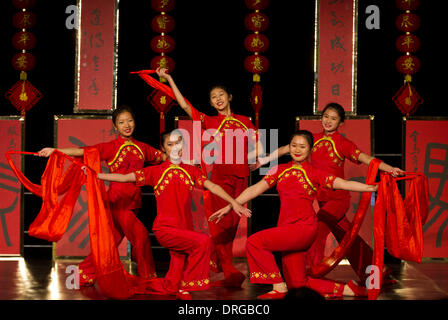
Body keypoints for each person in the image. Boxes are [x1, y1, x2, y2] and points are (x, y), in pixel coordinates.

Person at [209, 130, 375, 299]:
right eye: (294, 145)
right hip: (287, 228)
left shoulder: (313, 172)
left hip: (303, 228)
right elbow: (255, 189)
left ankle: (279, 287)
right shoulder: (279, 169)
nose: (297, 149)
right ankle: (349, 290)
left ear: (310, 150)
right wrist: (231, 205)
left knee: (254, 242)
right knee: (298, 284)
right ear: (288, 148)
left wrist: (370, 188)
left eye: (302, 146)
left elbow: (342, 183)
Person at [95, 129, 252, 299]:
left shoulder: (191, 171)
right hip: (165, 229)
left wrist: (234, 202)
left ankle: (175, 286)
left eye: (178, 143)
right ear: (163, 149)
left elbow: (213, 187)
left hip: (184, 230)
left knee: (172, 282)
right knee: (204, 241)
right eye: (169, 145)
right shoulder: (156, 171)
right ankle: (187, 284)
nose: (174, 147)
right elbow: (126, 178)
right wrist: (97, 175)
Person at [256, 103, 403, 283]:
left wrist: (389, 169)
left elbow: (367, 158)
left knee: (316, 230)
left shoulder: (343, 143)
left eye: (333, 118)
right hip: (323, 201)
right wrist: (264, 160)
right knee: (348, 237)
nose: (328, 121)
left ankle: (312, 272)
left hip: (338, 200)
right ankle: (376, 271)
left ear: (341, 122)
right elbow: (286, 149)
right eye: (326, 116)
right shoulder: (312, 139)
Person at [156, 67, 264, 287]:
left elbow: (258, 143)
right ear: (212, 103)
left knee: (233, 223)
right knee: (220, 224)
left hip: (241, 177)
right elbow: (185, 105)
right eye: (213, 98)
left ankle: (224, 265)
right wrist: (169, 78)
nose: (218, 100)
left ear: (230, 97)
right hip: (219, 176)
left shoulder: (244, 120)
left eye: (221, 95)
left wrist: (256, 158)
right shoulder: (208, 120)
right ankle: (229, 269)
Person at [38, 105, 164, 286]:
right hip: (118, 203)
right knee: (142, 235)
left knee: (109, 245)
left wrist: (184, 159)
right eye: (121, 122)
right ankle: (148, 280)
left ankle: (80, 275)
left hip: (134, 203)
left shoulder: (142, 147)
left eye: (129, 121)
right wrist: (56, 151)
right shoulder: (111, 147)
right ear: (115, 127)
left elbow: (162, 158)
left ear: (135, 123)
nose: (126, 125)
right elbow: (83, 151)